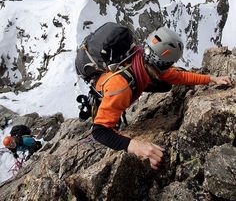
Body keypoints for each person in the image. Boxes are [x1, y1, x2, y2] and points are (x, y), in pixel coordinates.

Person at [90, 26, 234, 170]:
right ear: (160, 64)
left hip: (129, 82)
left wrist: (212, 79)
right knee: (113, 121)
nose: (169, 69)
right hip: (112, 89)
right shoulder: (121, 87)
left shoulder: (146, 59)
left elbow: (179, 76)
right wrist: (135, 146)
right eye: (168, 65)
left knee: (165, 84)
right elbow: (100, 131)